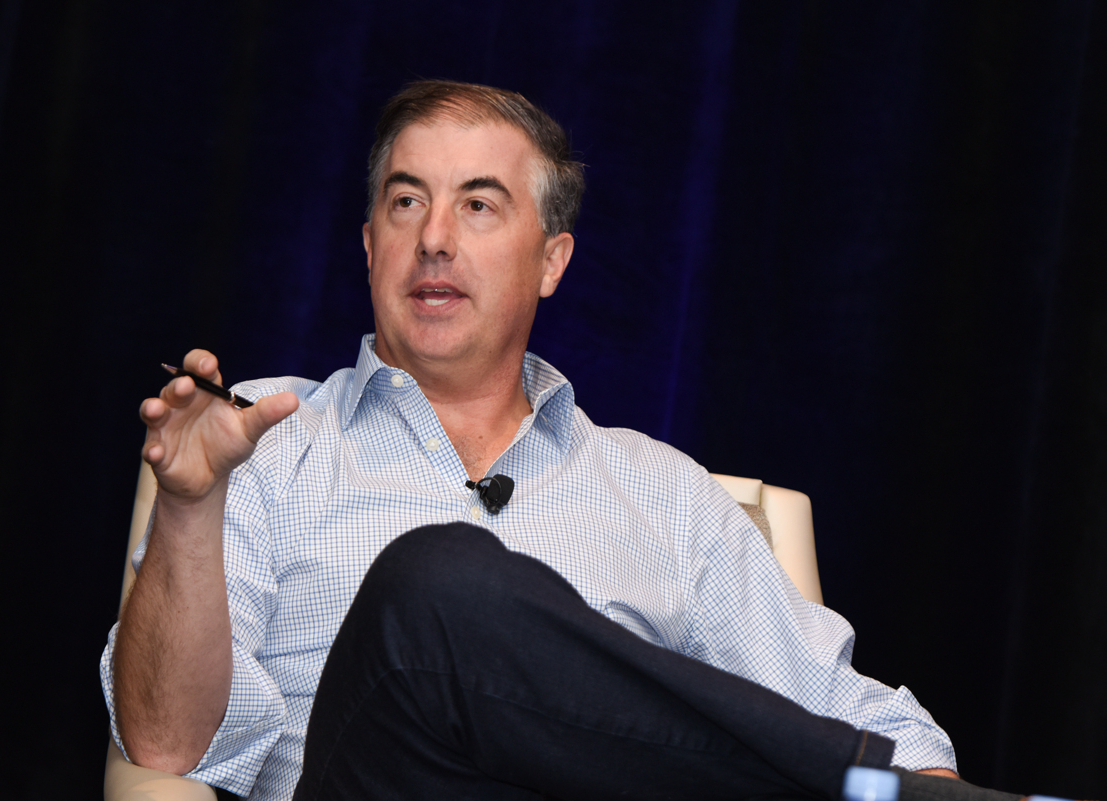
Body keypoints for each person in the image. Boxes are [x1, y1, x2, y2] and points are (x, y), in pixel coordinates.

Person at [102, 81, 1006, 801]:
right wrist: (188, 508)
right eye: (407, 201)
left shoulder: (663, 492)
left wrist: (920, 780)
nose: (435, 239)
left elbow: (856, 712)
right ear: (370, 246)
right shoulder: (263, 443)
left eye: (479, 205)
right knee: (434, 586)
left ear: (552, 261)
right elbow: (166, 744)